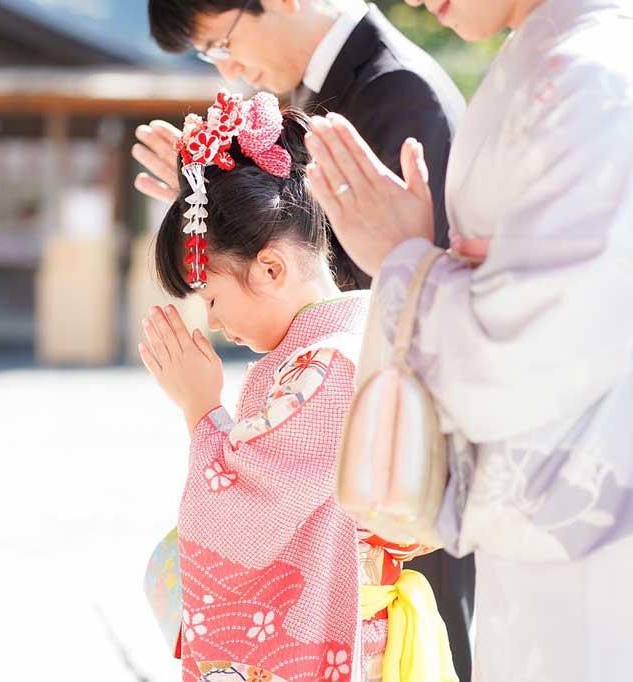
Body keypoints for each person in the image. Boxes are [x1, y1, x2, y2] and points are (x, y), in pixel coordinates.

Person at [134, 1, 475, 677]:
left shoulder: (400, 93)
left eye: (223, 41)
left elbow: (243, 511)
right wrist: (216, 202)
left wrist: (202, 412)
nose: (229, 67)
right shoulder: (326, 346)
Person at [303, 0, 633, 678]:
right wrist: (419, 259)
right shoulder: (556, 58)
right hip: (546, 531)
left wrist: (406, 262)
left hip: (592, 533)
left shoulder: (592, 74)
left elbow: (534, 349)